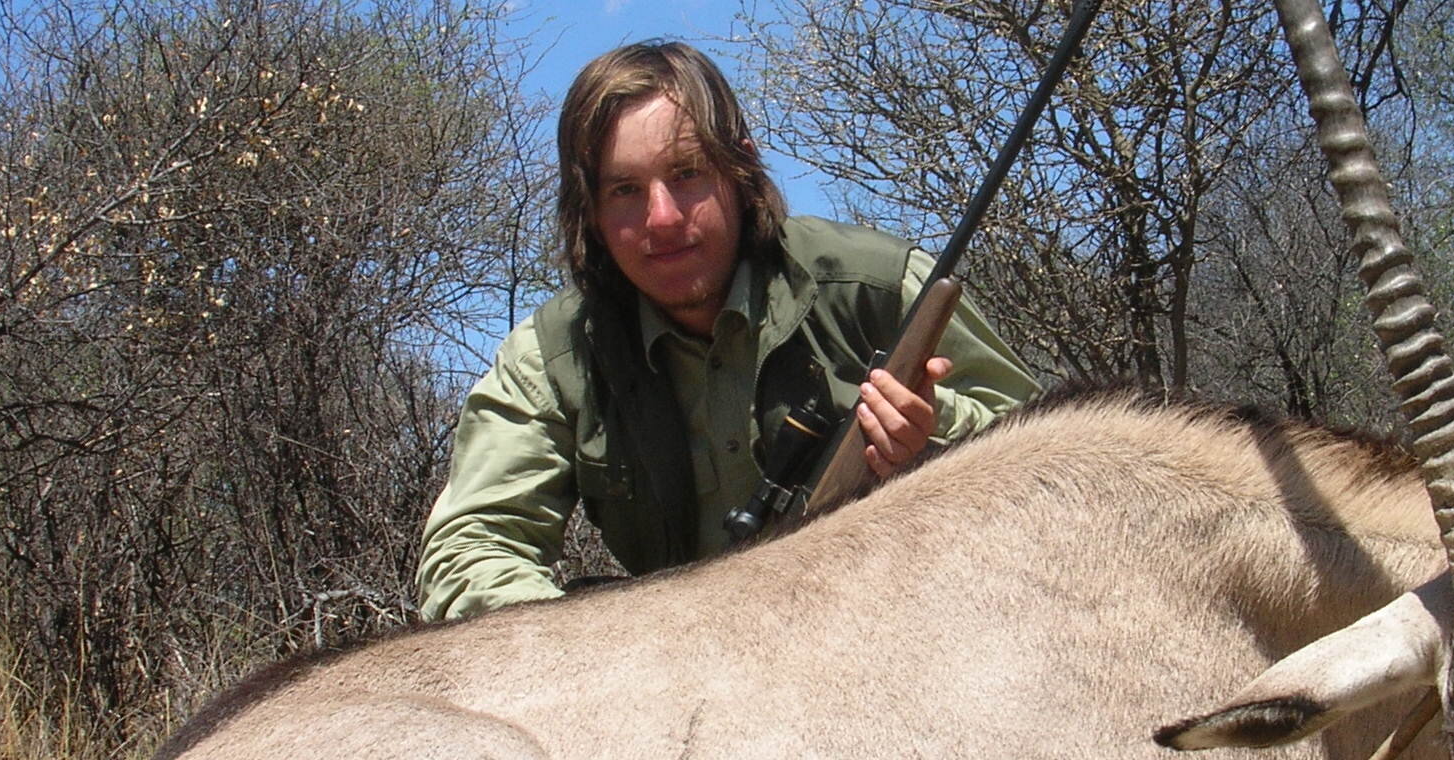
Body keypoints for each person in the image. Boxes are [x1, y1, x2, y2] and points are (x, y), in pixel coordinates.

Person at [417, 40, 1040, 619]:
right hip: (681, 672)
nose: (662, 219)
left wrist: (935, 438)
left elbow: (1052, 460)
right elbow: (469, 550)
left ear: (739, 168)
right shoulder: (552, 356)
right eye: (626, 190)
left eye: (686, 173)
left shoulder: (879, 286)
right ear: (590, 213)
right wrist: (602, 654)